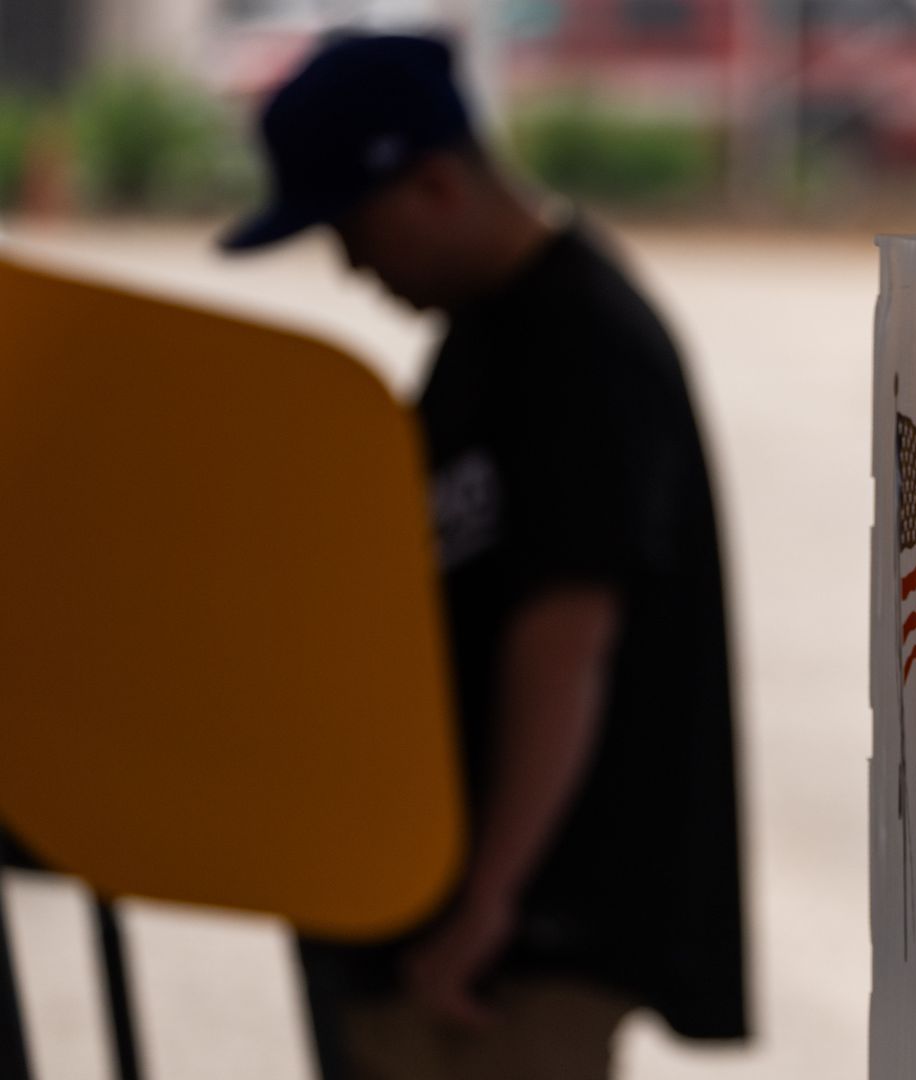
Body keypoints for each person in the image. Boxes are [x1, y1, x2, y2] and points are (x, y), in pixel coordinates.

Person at [220, 32, 747, 1079]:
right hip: (467, 930)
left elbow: (565, 640)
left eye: (351, 229)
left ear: (431, 184)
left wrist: (488, 901)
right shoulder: (491, 337)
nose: (352, 267)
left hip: (515, 954)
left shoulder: (580, 345)